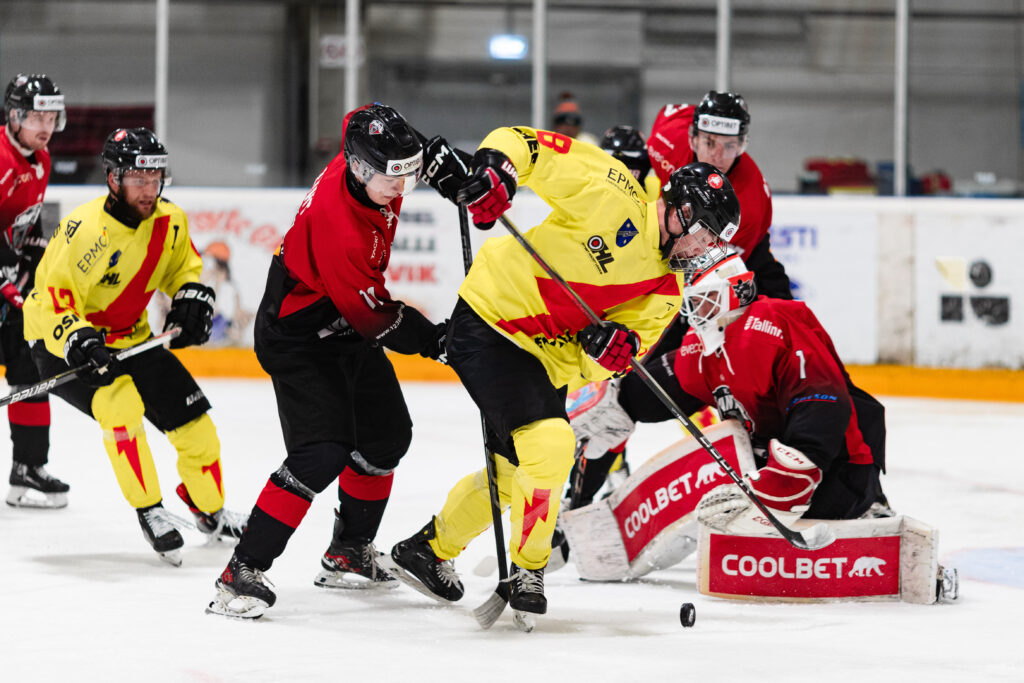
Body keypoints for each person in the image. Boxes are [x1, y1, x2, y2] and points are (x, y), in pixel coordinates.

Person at [387, 125, 741, 619]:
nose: (703, 249)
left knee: (516, 469)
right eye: (703, 232)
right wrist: (498, 171)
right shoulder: (614, 190)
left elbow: (610, 358)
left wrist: (607, 349)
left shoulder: (665, 291)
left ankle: (427, 549)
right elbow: (527, 146)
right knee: (551, 445)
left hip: (543, 359)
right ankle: (528, 569)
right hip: (492, 320)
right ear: (679, 210)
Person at [206, 104, 450, 619]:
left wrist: (451, 167)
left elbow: (372, 116)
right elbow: (375, 319)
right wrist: (438, 341)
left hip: (338, 321)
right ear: (359, 168)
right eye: (394, 178)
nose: (403, 189)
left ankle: (348, 554)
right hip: (297, 334)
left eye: (410, 173)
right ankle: (240, 571)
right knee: (322, 452)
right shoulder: (339, 225)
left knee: (387, 438)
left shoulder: (370, 158)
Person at [23, 127, 246, 564]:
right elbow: (50, 298)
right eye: (139, 180)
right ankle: (150, 510)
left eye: (155, 178)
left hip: (133, 340)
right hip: (58, 344)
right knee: (120, 406)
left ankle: (210, 510)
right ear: (113, 179)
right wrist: (77, 337)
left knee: (196, 424)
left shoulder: (169, 220)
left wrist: (191, 296)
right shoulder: (84, 230)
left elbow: (184, 268)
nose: (150, 190)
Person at [566, 91, 795, 507]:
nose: (718, 155)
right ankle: (575, 503)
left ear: (744, 144)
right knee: (615, 395)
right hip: (671, 251)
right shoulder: (667, 135)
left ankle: (764, 468)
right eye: (708, 142)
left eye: (730, 146)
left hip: (728, 271)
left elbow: (701, 278)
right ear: (690, 135)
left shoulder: (749, 201)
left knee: (749, 368)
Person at [572, 248, 887, 537]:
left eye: (704, 300)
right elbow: (662, 390)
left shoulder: (772, 323)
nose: (695, 312)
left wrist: (796, 468)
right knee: (718, 488)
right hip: (772, 472)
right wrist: (621, 400)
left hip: (840, 474)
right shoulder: (704, 347)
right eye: (692, 303)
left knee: (730, 500)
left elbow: (821, 401)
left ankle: (868, 505)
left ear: (733, 295)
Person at [0, 74, 69, 508]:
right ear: (14, 115)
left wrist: (37, 256)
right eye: (37, 116)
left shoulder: (40, 157)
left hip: (11, 286)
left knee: (29, 370)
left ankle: (28, 467)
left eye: (51, 115)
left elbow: (28, 221)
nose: (45, 125)